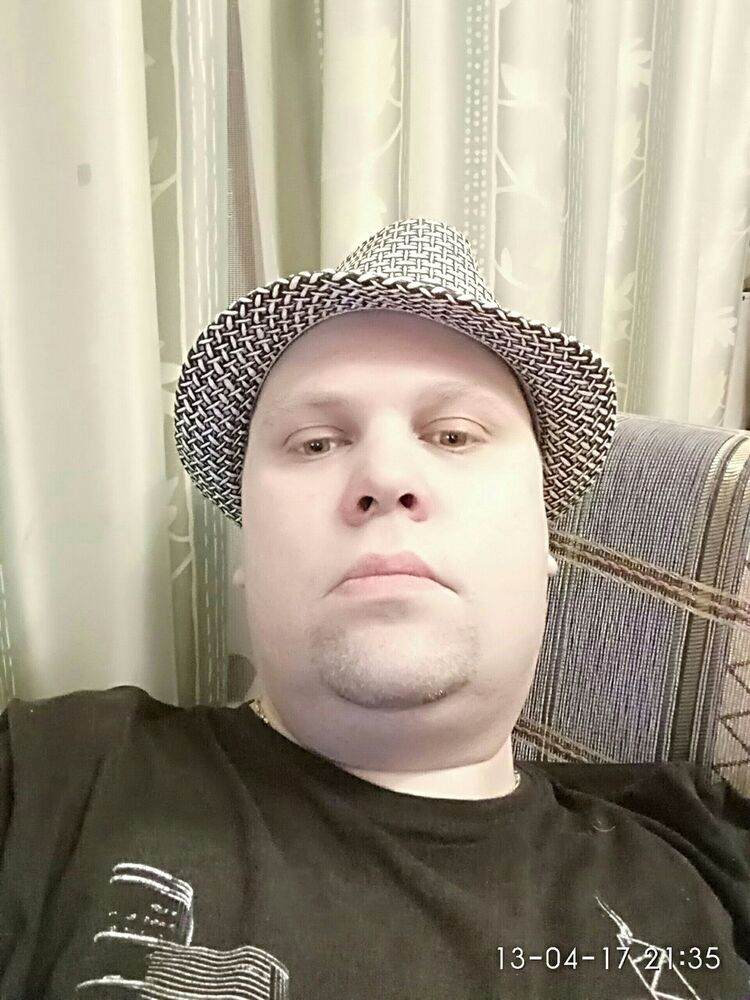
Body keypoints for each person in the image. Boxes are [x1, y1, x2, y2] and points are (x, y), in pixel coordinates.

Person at [0, 219, 748, 1000]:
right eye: (316, 443)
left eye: (454, 436)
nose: (385, 475)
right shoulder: (52, 781)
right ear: (248, 557)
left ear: (545, 544)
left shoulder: (701, 852)